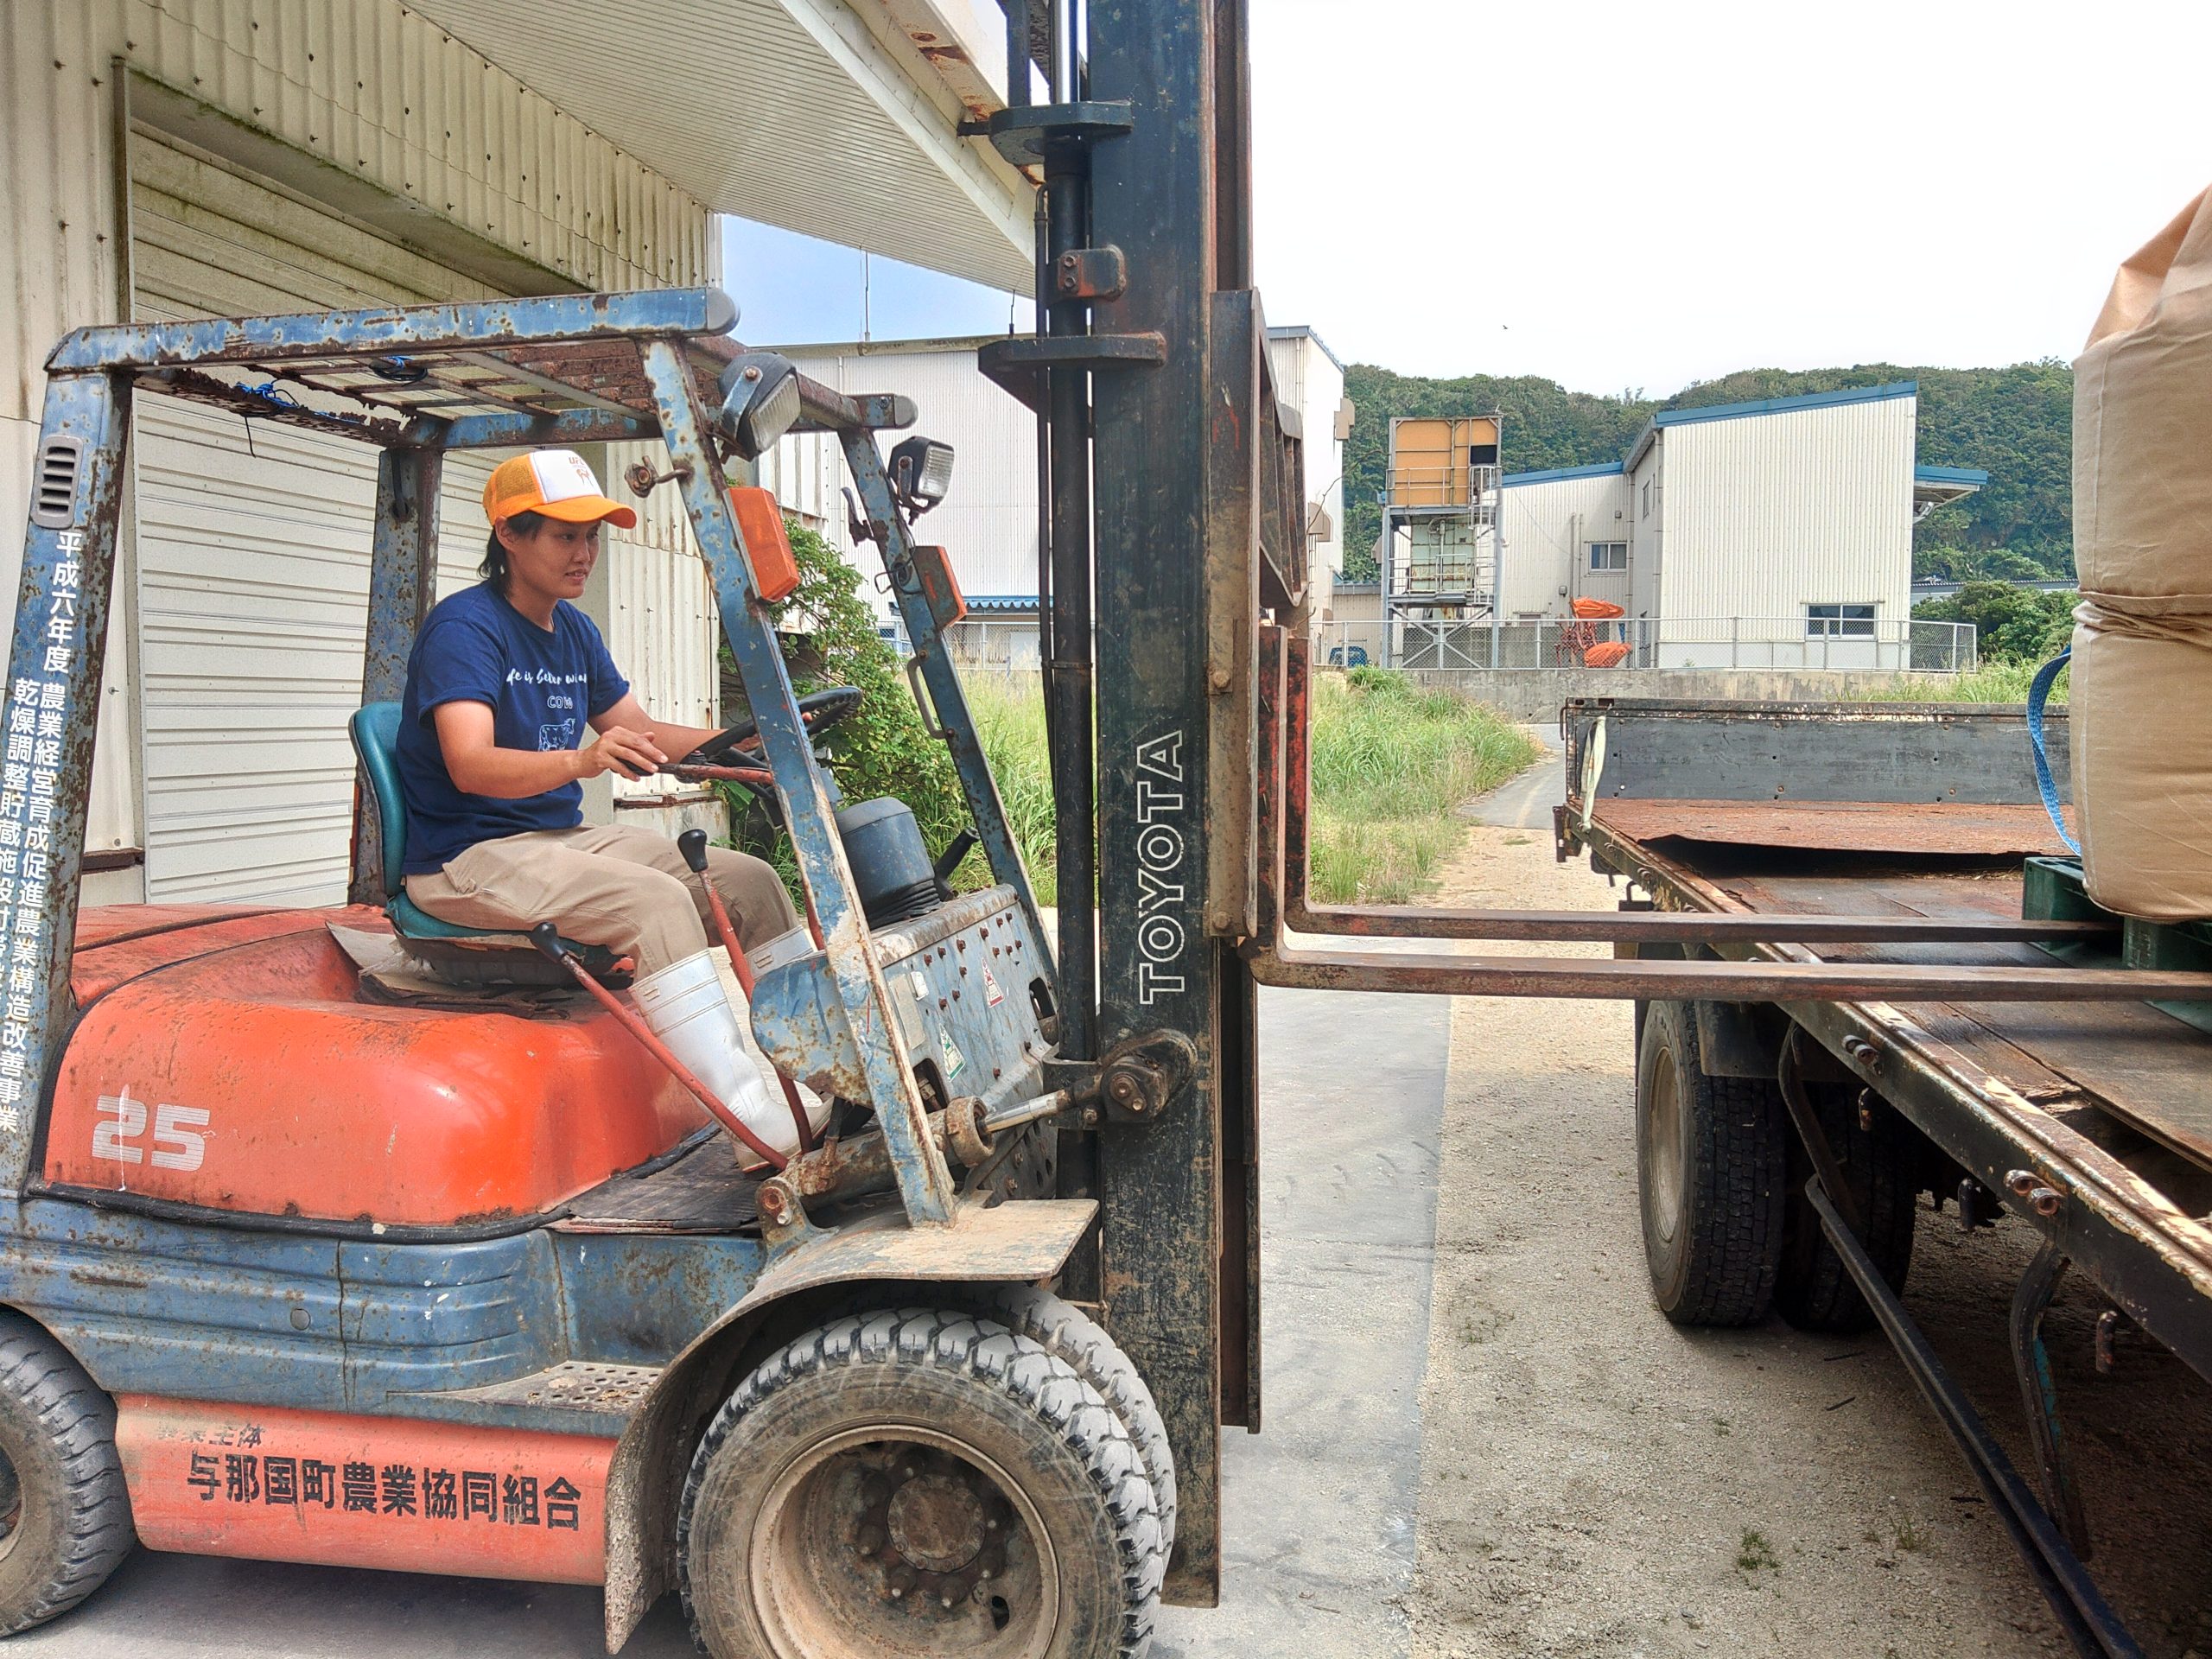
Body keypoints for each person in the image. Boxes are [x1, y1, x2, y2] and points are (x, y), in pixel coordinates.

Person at [395, 448, 824, 1158]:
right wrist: (583, 759)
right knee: (655, 904)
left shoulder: (574, 631)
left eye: (591, 536)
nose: (584, 554)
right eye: (565, 536)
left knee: (751, 883)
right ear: (508, 535)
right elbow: (469, 766)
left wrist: (759, 739)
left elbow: (642, 731)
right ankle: (753, 1122)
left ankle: (827, 1073)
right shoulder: (464, 630)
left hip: (554, 839)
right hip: (465, 857)